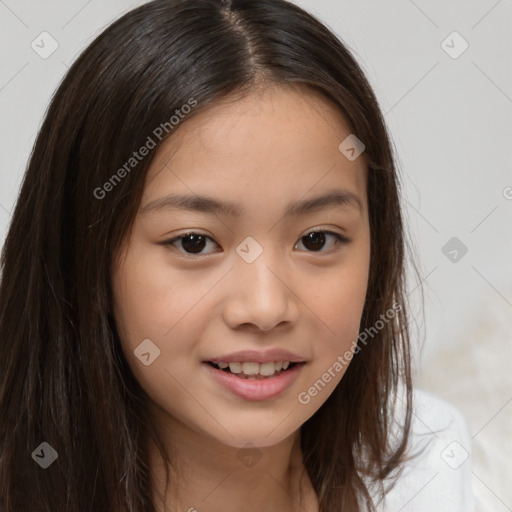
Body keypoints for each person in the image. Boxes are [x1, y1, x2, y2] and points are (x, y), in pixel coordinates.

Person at [0, 0, 474, 510]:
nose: (267, 308)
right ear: (86, 261)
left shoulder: (424, 468)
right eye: (194, 242)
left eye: (316, 239)